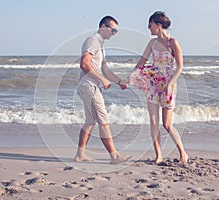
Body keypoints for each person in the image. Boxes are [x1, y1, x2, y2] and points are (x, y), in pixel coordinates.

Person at [126, 11, 188, 165]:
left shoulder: (172, 42)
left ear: (158, 25)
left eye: (150, 24)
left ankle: (183, 153)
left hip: (168, 84)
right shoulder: (152, 43)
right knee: (153, 121)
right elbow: (141, 62)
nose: (148, 27)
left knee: (167, 124)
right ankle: (158, 155)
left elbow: (179, 67)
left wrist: (170, 84)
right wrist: (130, 78)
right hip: (153, 84)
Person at [75, 16, 131, 164]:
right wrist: (101, 79)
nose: (114, 33)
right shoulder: (92, 41)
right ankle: (114, 156)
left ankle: (80, 155)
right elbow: (84, 64)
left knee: (90, 121)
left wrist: (119, 82)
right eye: (112, 30)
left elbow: (105, 70)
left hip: (89, 86)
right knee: (104, 122)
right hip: (89, 86)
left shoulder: (100, 45)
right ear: (103, 26)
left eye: (116, 31)